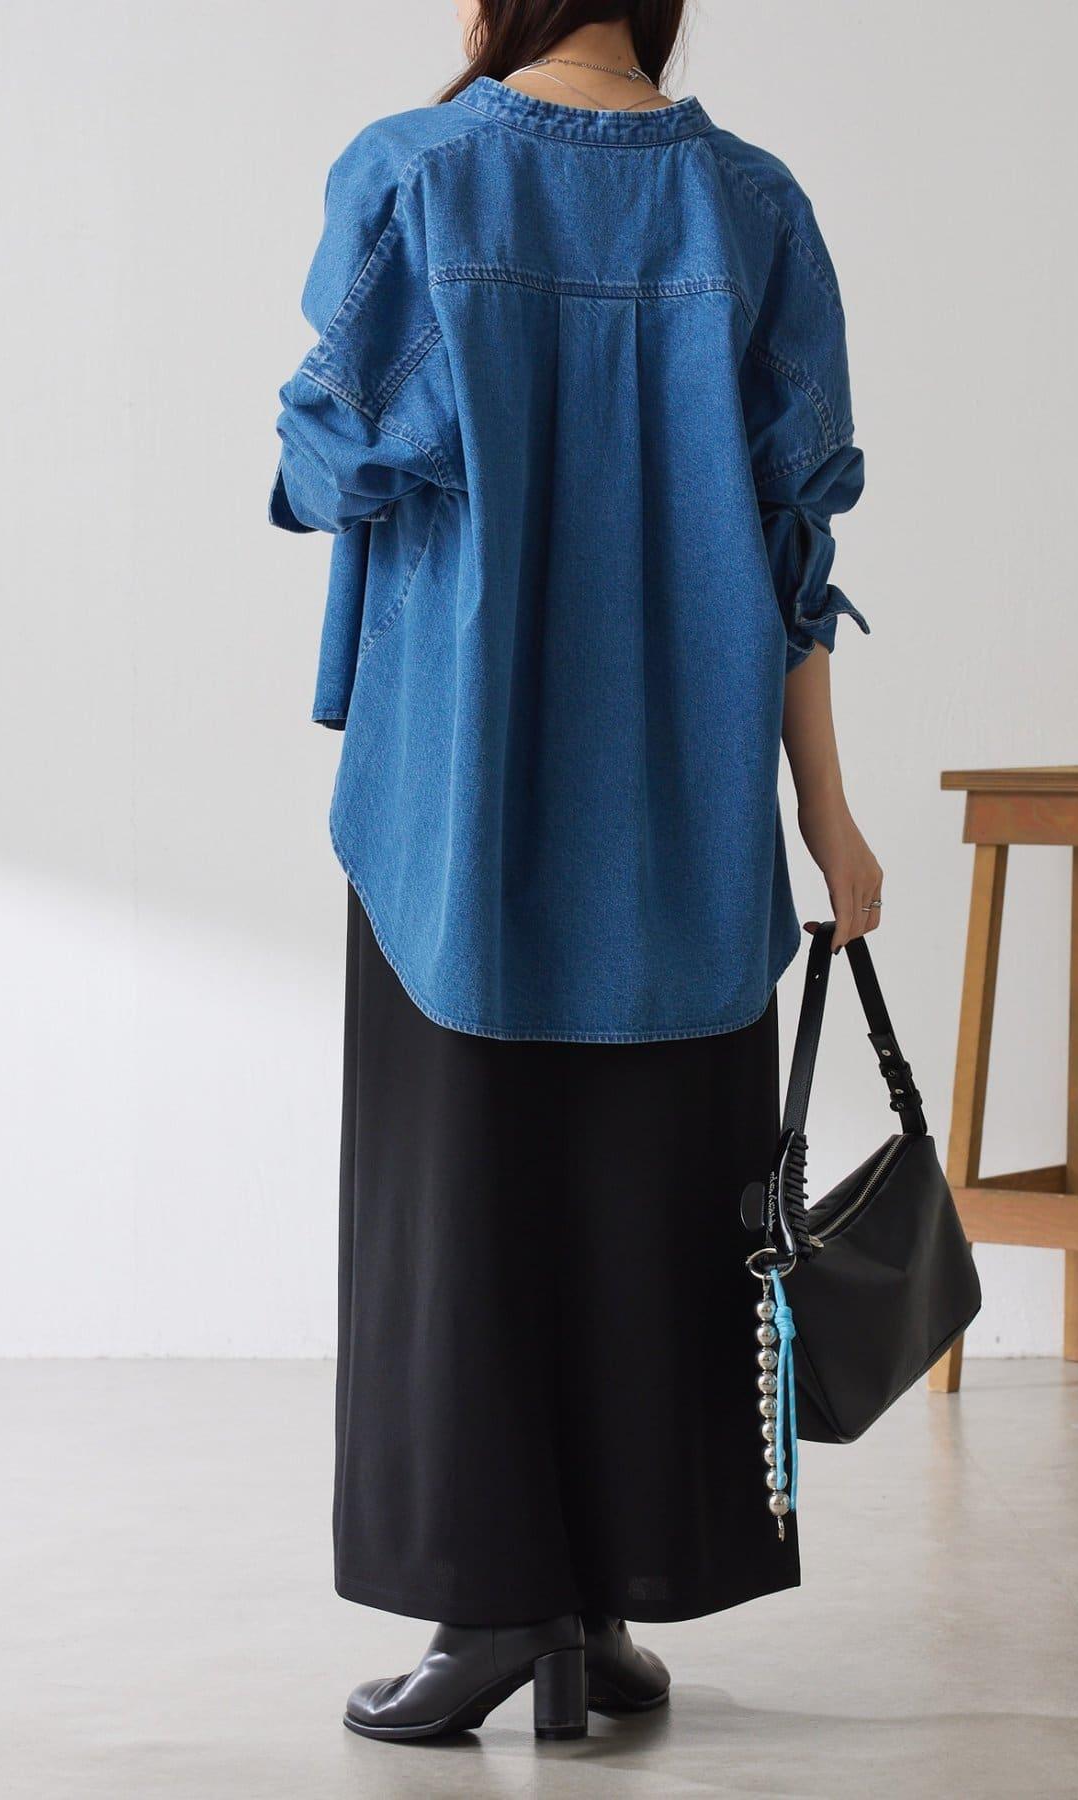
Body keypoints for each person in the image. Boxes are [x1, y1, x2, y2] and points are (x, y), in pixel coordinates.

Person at [269, 0, 882, 1745]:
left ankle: (493, 1607)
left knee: (461, 1195)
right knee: (656, 1197)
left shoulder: (417, 173)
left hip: (452, 798)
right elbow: (793, 544)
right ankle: (601, 1611)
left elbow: (330, 456)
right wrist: (828, 815)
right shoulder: (754, 205)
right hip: (683, 797)